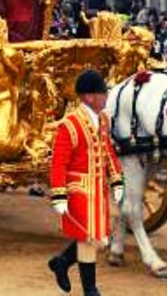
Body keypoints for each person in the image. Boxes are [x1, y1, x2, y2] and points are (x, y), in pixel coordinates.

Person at [48, 70, 124, 296]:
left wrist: (116, 179)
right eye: (103, 93)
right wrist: (59, 195)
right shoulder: (69, 125)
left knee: (95, 237)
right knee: (90, 239)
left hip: (97, 188)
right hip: (78, 189)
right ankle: (90, 289)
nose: (106, 97)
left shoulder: (102, 120)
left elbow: (107, 151)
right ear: (89, 97)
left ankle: (62, 262)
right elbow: (58, 163)